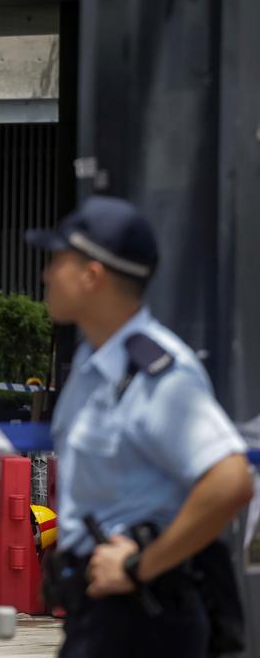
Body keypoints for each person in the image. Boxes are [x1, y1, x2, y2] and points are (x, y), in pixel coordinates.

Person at [27, 196, 253, 658]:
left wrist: (138, 566)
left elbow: (231, 480)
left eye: (58, 262)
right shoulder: (96, 364)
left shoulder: (160, 376)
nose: (47, 275)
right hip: (100, 612)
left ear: (93, 276)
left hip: (143, 619)